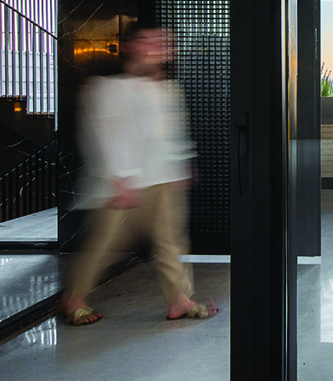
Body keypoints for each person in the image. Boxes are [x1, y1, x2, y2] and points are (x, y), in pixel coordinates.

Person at [59, 24, 217, 326]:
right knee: (107, 244)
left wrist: (184, 164)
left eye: (164, 43)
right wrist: (122, 176)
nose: (158, 48)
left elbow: (172, 133)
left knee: (172, 242)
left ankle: (180, 300)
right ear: (132, 46)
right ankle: (74, 297)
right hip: (125, 185)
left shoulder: (168, 88)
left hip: (163, 179)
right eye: (149, 41)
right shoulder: (108, 88)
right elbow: (107, 135)